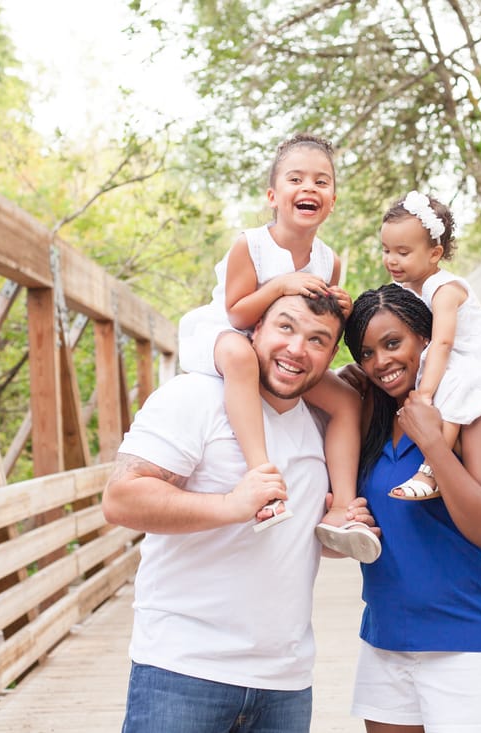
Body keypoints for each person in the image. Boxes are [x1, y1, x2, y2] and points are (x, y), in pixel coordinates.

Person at [102, 291, 380, 733]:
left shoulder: (324, 423)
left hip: (285, 682)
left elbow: (296, 539)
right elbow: (121, 499)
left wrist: (341, 531)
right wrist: (231, 506)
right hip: (183, 671)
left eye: (317, 340)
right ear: (254, 330)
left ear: (330, 356)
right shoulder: (195, 396)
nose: (295, 349)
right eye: (285, 327)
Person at [342, 284, 481, 733]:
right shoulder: (371, 415)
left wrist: (431, 442)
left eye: (393, 343)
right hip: (387, 636)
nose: (381, 362)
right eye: (367, 353)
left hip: (468, 639)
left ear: (427, 339)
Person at [177, 133, 373, 558]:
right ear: (273, 195)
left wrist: (341, 307)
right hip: (224, 337)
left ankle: (341, 508)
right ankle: (261, 477)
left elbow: (320, 326)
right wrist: (281, 284)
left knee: (345, 400)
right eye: (296, 179)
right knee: (240, 355)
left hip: (282, 350)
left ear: (333, 200)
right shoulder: (250, 245)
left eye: (321, 182)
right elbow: (237, 313)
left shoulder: (330, 260)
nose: (308, 189)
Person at [378, 191, 481, 500]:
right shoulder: (405, 288)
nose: (391, 260)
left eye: (403, 252)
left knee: (451, 386)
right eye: (386, 250)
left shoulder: (444, 290)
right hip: (446, 352)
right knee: (442, 380)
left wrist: (424, 393)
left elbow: (443, 342)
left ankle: (432, 470)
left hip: (472, 353)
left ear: (435, 254)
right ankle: (452, 454)